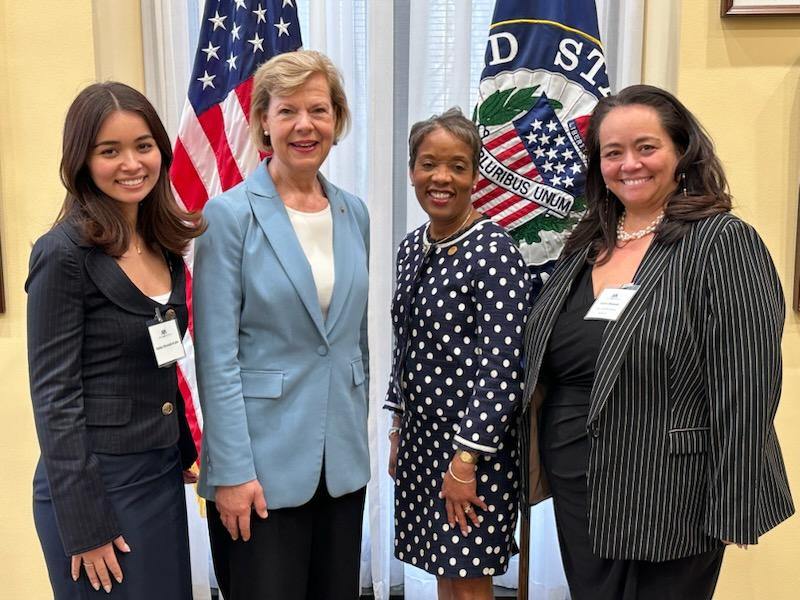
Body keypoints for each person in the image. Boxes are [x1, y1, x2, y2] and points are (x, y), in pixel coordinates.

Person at [521, 84, 795, 599]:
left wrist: (733, 498)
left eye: (646, 147)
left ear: (681, 151)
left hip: (670, 487)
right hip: (579, 480)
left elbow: (747, 382)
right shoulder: (588, 240)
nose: (630, 164)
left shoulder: (721, 240)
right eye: (613, 152)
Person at [193, 50, 370, 600]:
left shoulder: (353, 211)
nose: (304, 125)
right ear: (263, 122)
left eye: (318, 109)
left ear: (335, 120)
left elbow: (350, 340)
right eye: (287, 110)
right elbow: (216, 357)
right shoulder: (228, 216)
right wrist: (232, 473)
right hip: (259, 473)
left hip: (339, 463)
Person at [26, 81, 205, 598]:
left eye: (143, 146)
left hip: (158, 476)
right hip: (95, 490)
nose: (131, 163)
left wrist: (184, 448)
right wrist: (86, 525)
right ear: (83, 160)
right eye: (110, 151)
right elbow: (54, 399)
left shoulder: (163, 244)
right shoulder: (62, 254)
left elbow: (162, 356)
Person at [384, 108, 532, 600]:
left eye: (457, 165)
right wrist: (397, 428)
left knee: (468, 576)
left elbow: (503, 365)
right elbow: (404, 344)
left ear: (475, 174)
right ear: (412, 171)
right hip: (422, 439)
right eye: (428, 163)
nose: (441, 177)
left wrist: (465, 460)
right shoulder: (411, 248)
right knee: (445, 568)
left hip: (473, 448)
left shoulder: (495, 250)